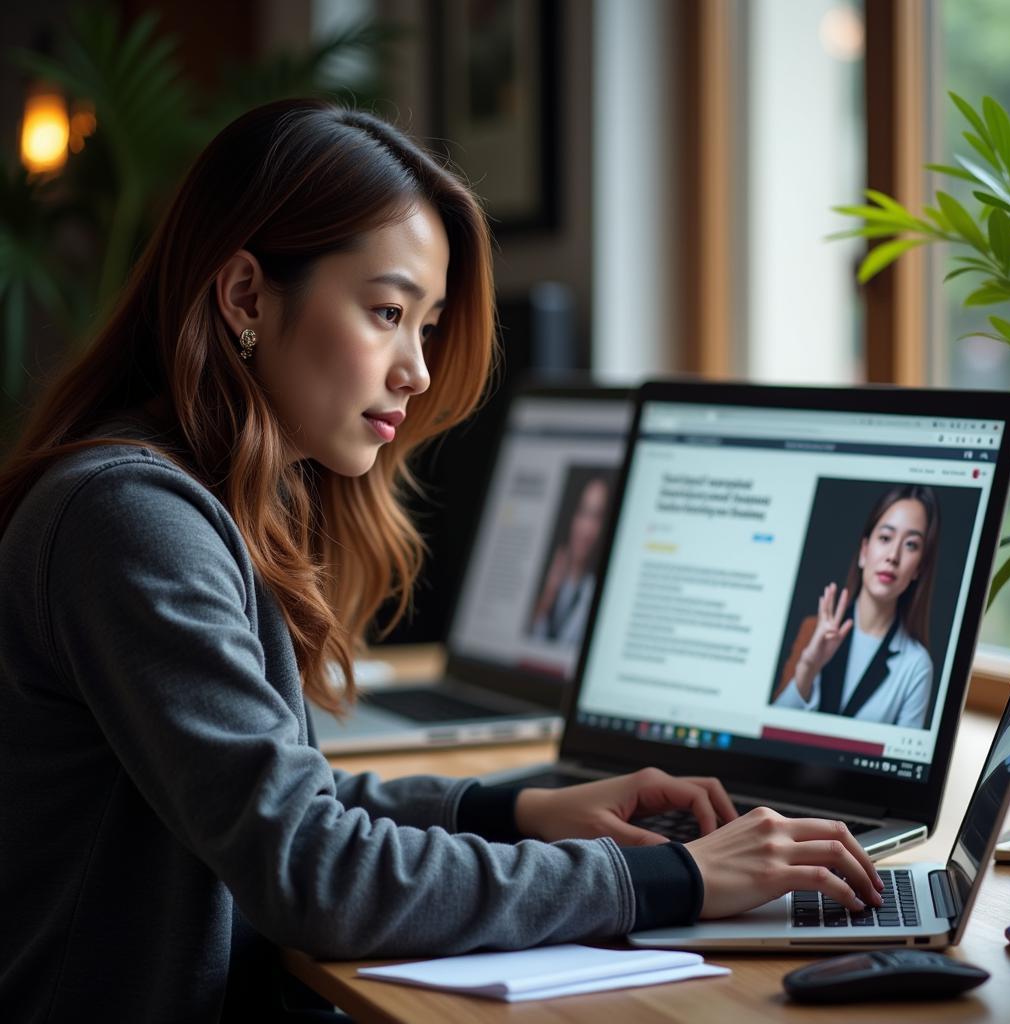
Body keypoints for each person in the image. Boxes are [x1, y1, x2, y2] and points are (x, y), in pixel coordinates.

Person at [0, 100, 883, 1023]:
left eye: (426, 326)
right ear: (245, 296)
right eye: (387, 312)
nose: (417, 371)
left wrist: (518, 811)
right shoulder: (131, 519)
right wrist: (669, 878)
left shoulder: (189, 498)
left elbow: (280, 800)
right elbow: (312, 870)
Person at [773, 484, 939, 728]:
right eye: (885, 538)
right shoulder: (813, 630)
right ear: (864, 551)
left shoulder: (916, 665)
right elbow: (771, 733)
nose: (893, 556)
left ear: (919, 568)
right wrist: (808, 667)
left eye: (911, 545)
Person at [529, 471, 611, 645]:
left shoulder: (595, 590)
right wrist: (547, 597)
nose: (587, 529)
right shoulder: (549, 578)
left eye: (597, 517)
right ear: (572, 515)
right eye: (583, 512)